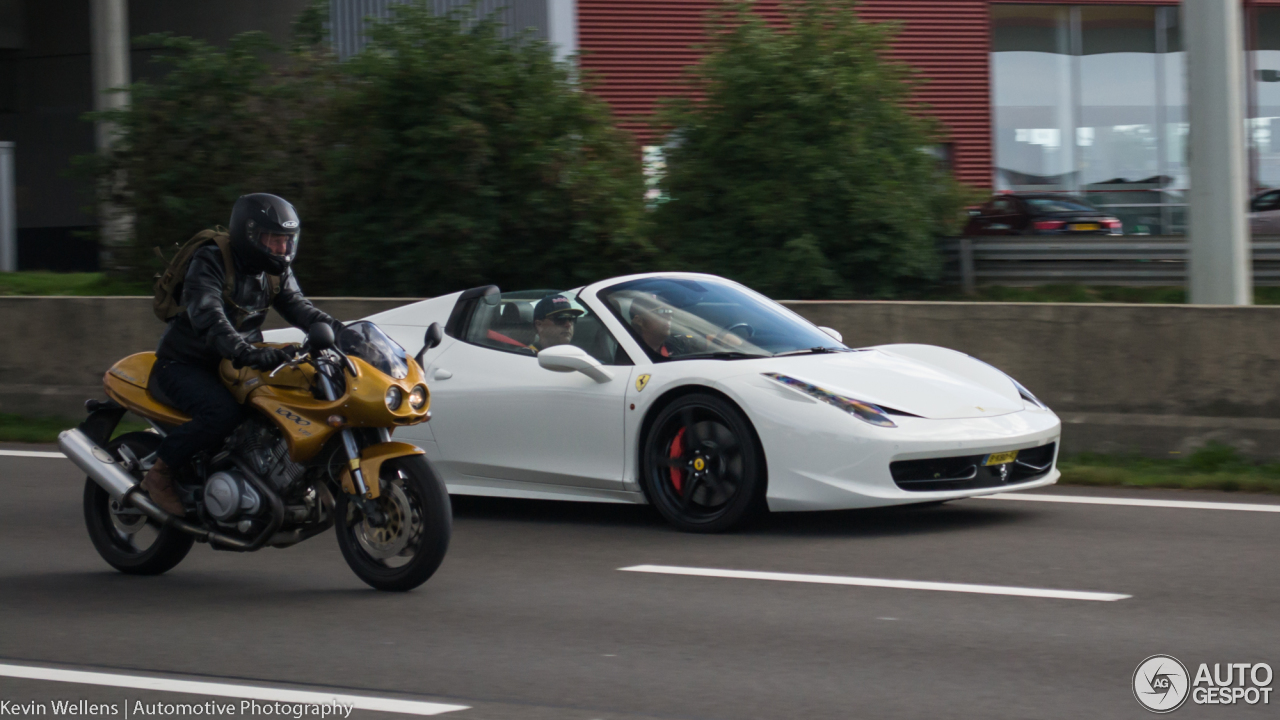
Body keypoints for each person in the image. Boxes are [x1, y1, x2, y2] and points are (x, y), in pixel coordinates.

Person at [139, 193, 342, 515]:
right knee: (221, 414)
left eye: (287, 240)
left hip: (238, 364)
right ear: (249, 236)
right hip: (187, 363)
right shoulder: (210, 260)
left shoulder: (276, 272)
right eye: (273, 240)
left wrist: (342, 333)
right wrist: (244, 351)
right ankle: (159, 474)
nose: (281, 249)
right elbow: (209, 314)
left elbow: (300, 308)